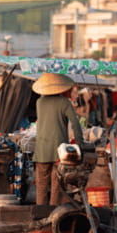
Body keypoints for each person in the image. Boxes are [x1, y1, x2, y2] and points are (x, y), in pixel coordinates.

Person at [32, 73, 89, 206]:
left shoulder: (39, 102)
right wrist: (80, 144)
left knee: (41, 184)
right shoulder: (64, 102)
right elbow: (75, 123)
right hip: (60, 150)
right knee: (57, 184)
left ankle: (40, 211)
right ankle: (54, 211)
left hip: (41, 149)